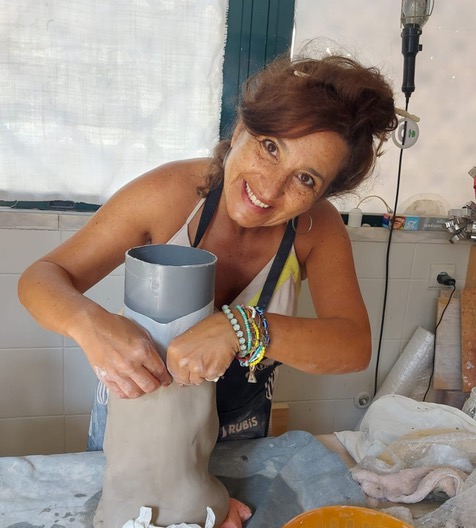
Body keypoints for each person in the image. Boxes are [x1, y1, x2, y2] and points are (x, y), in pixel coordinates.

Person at [18, 53, 398, 446]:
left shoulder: (315, 230)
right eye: (270, 147)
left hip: (239, 440)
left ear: (322, 194)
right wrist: (88, 324)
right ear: (240, 130)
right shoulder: (170, 194)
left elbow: (354, 347)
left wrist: (244, 329)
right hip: (133, 436)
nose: (269, 189)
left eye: (305, 179)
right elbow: (40, 278)